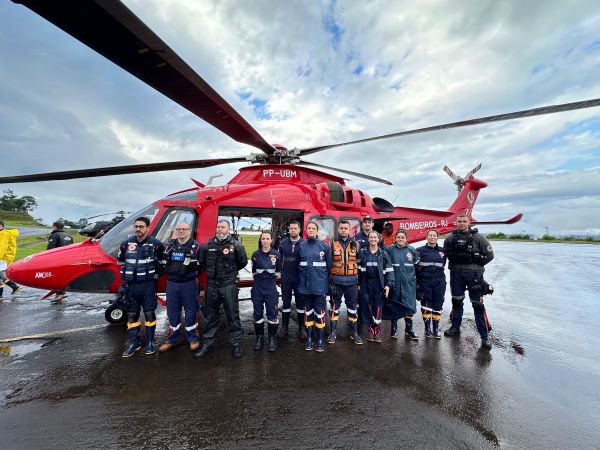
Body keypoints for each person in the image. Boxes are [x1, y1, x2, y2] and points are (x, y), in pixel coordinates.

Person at [194, 220, 248, 359]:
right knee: (209, 316)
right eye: (218, 226)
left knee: (232, 315)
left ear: (228, 229)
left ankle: (236, 344)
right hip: (212, 286)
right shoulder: (208, 245)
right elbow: (202, 262)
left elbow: (242, 261)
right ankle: (207, 343)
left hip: (229, 285)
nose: (220, 229)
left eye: (222, 227)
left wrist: (230, 274)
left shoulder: (235, 245)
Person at [443, 214, 494, 349]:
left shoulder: (479, 238)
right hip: (456, 275)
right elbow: (444, 255)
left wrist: (476, 262)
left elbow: (490, 255)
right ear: (456, 222)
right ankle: (455, 327)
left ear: (469, 222)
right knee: (457, 301)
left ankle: (484, 336)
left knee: (478, 305)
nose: (462, 223)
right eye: (459, 221)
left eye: (464, 221)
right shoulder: (449, 238)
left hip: (474, 276)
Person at [117, 216, 165, 358]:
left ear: (147, 228)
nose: (138, 229)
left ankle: (150, 342)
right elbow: (120, 263)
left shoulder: (156, 244)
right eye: (136, 226)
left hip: (148, 285)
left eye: (141, 226)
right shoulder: (125, 244)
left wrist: (155, 275)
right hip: (130, 285)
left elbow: (162, 264)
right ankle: (134, 343)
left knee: (149, 313)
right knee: (132, 315)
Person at [158, 222, 202, 353]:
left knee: (191, 311)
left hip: (189, 283)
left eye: (184, 229)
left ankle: (193, 338)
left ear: (190, 231)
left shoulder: (197, 247)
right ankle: (172, 339)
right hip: (172, 283)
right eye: (179, 229)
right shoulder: (168, 246)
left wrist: (189, 273)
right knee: (172, 312)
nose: (181, 231)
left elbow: (201, 266)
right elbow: (162, 263)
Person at [297, 221, 332, 352]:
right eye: (309, 228)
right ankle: (309, 339)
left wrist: (326, 285)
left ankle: (320, 339)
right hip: (305, 287)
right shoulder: (301, 246)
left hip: (319, 287)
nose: (311, 230)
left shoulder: (325, 246)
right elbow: (298, 267)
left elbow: (329, 267)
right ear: (306, 230)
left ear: (317, 231)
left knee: (320, 312)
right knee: (308, 312)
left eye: (313, 228)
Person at [328, 220, 362, 345]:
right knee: (334, 307)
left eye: (345, 228)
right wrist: (329, 282)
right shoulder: (332, 244)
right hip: (336, 281)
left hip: (352, 282)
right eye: (341, 228)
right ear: (338, 230)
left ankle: (354, 333)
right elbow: (328, 263)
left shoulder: (356, 244)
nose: (343, 230)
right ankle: (333, 332)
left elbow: (359, 262)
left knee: (352, 308)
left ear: (349, 230)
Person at [358, 231, 395, 342]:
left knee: (378, 307)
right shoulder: (363, 253)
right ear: (368, 239)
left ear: (378, 239)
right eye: (371, 237)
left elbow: (390, 271)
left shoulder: (383, 254)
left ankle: (377, 331)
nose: (373, 239)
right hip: (366, 283)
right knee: (368, 306)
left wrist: (388, 285)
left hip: (379, 284)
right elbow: (358, 270)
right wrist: (358, 284)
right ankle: (370, 330)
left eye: (375, 237)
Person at [384, 229, 419, 340]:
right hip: (394, 284)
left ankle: (409, 330)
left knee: (408, 306)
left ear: (406, 239)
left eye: (403, 237)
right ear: (395, 238)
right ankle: (393, 329)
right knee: (394, 305)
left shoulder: (412, 250)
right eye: (398, 237)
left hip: (408, 284)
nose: (400, 239)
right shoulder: (389, 249)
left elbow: (417, 268)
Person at [250, 231, 281, 352]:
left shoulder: (276, 254)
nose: (265, 241)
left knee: (272, 313)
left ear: (271, 240)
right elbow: (253, 271)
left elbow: (278, 271)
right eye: (263, 239)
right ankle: (259, 338)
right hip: (257, 287)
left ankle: (272, 339)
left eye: (267, 239)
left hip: (270, 288)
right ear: (260, 240)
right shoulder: (255, 254)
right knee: (257, 313)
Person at [277, 220, 306, 339]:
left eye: (295, 228)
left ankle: (302, 328)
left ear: (299, 230)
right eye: (291, 228)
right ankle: (284, 327)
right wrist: (279, 273)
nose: (293, 230)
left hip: (299, 277)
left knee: (300, 303)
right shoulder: (283, 243)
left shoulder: (304, 243)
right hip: (286, 277)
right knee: (286, 302)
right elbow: (279, 259)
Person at [416, 229, 447, 339]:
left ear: (437, 237)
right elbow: (415, 268)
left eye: (434, 235)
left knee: (438, 303)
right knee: (426, 303)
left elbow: (443, 264)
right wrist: (417, 284)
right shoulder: (419, 250)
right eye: (430, 235)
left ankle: (436, 328)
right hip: (425, 281)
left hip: (439, 280)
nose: (432, 237)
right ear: (426, 237)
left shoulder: (443, 251)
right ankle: (427, 329)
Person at [47, 221, 74, 303]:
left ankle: (60, 293)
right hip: (67, 259)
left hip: (57, 259)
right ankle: (59, 293)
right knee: (62, 276)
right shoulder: (69, 236)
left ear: (55, 227)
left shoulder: (54, 235)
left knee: (54, 276)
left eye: (53, 226)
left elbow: (50, 248)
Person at [0, 220, 21, 300]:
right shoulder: (7, 233)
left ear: (2, 226)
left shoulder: (3, 234)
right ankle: (14, 287)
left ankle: (1, 295)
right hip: (5, 257)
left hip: (2, 257)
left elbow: (1, 247)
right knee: (0, 276)